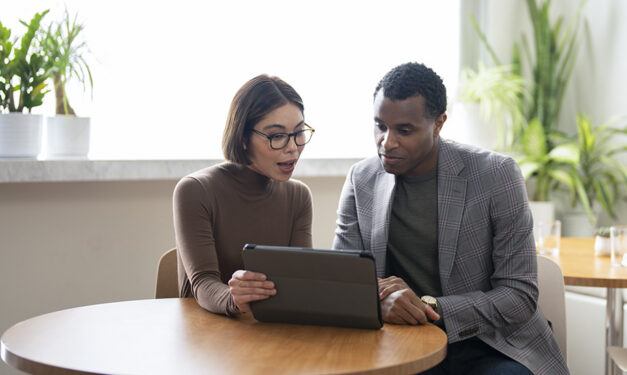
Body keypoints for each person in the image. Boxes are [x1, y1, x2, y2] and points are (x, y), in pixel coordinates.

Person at [332, 62, 568, 375]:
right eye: (380, 126)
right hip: (400, 343)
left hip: (490, 343)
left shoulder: (496, 175)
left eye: (404, 130)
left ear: (439, 123)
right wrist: (380, 300)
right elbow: (341, 280)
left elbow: (518, 296)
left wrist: (430, 307)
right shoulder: (361, 178)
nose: (387, 142)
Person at [173, 74, 315, 316]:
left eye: (299, 132)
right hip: (207, 335)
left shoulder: (298, 196)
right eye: (277, 136)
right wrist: (233, 298)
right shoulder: (195, 190)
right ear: (243, 137)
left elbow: (301, 282)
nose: (293, 147)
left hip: (271, 334)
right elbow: (203, 283)